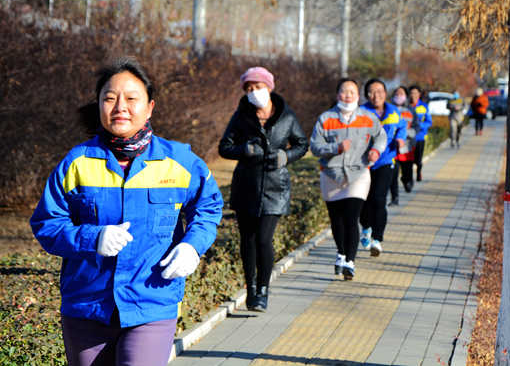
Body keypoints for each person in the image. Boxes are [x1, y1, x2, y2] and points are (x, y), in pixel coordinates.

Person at [30, 57, 223, 366]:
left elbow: (208, 206)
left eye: (131, 98)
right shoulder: (76, 164)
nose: (120, 106)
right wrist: (91, 238)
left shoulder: (180, 162)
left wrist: (192, 245)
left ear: (149, 107)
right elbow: (46, 223)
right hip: (86, 306)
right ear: (99, 106)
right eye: (109, 98)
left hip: (152, 302)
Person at [218, 67, 308, 311]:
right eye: (248, 89)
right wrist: (244, 149)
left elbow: (301, 143)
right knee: (247, 241)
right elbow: (224, 147)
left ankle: (264, 291)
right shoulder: (240, 116)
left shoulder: (286, 116)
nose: (253, 92)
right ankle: (250, 289)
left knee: (264, 239)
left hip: (276, 187)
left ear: (269, 87)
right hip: (246, 185)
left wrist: (285, 156)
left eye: (257, 87)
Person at [310, 78, 386, 280]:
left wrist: (376, 152)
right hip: (331, 174)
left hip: (358, 174)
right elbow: (315, 146)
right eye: (344, 91)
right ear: (337, 95)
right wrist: (335, 148)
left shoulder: (368, 118)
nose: (348, 95)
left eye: (352, 91)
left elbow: (381, 136)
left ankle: (350, 262)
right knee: (337, 220)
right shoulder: (325, 118)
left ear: (358, 95)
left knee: (351, 218)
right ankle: (341, 253)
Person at [359, 79, 407, 257]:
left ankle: (377, 240)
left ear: (385, 93)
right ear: (366, 95)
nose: (376, 95)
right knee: (364, 200)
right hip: (364, 163)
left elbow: (402, 127)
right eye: (371, 92)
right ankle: (366, 227)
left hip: (386, 160)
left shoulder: (394, 112)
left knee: (379, 199)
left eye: (379, 91)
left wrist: (400, 138)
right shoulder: (362, 112)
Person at [389, 86, 420, 205]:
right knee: (393, 173)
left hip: (407, 147)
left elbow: (416, 128)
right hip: (392, 148)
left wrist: (406, 132)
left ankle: (407, 180)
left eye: (401, 93)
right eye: (396, 93)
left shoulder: (411, 110)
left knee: (407, 173)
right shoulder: (389, 110)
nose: (398, 95)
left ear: (406, 96)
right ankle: (394, 197)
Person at [409, 85, 432, 182]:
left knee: (418, 160)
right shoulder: (406, 107)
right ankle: (408, 177)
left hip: (420, 137)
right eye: (411, 93)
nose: (413, 95)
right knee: (408, 159)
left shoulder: (424, 106)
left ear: (419, 94)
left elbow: (429, 122)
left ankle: (419, 170)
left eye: (415, 93)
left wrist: (419, 125)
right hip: (408, 138)